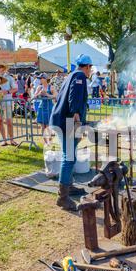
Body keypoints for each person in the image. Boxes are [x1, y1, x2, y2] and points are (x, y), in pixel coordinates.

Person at [49, 54, 92, 211]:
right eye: (90, 68)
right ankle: (63, 198)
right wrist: (76, 117)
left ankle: (70, 186)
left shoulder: (71, 75)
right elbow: (74, 97)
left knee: (70, 155)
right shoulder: (80, 76)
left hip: (64, 121)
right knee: (69, 158)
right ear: (87, 66)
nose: (90, 71)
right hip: (68, 121)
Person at [0, 61, 19, 146]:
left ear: (3, 68)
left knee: (9, 122)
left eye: (0, 66)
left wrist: (7, 91)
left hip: (8, 102)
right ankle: (4, 140)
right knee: (0, 121)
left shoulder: (9, 78)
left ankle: (12, 140)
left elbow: (15, 89)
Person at [33, 73, 56, 145]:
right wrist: (39, 94)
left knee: (49, 125)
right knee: (42, 126)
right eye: (39, 78)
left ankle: (50, 140)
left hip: (49, 107)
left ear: (46, 79)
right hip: (41, 107)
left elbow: (55, 96)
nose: (40, 79)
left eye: (41, 78)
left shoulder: (51, 87)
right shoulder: (39, 87)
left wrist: (47, 94)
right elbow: (35, 96)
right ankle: (46, 142)